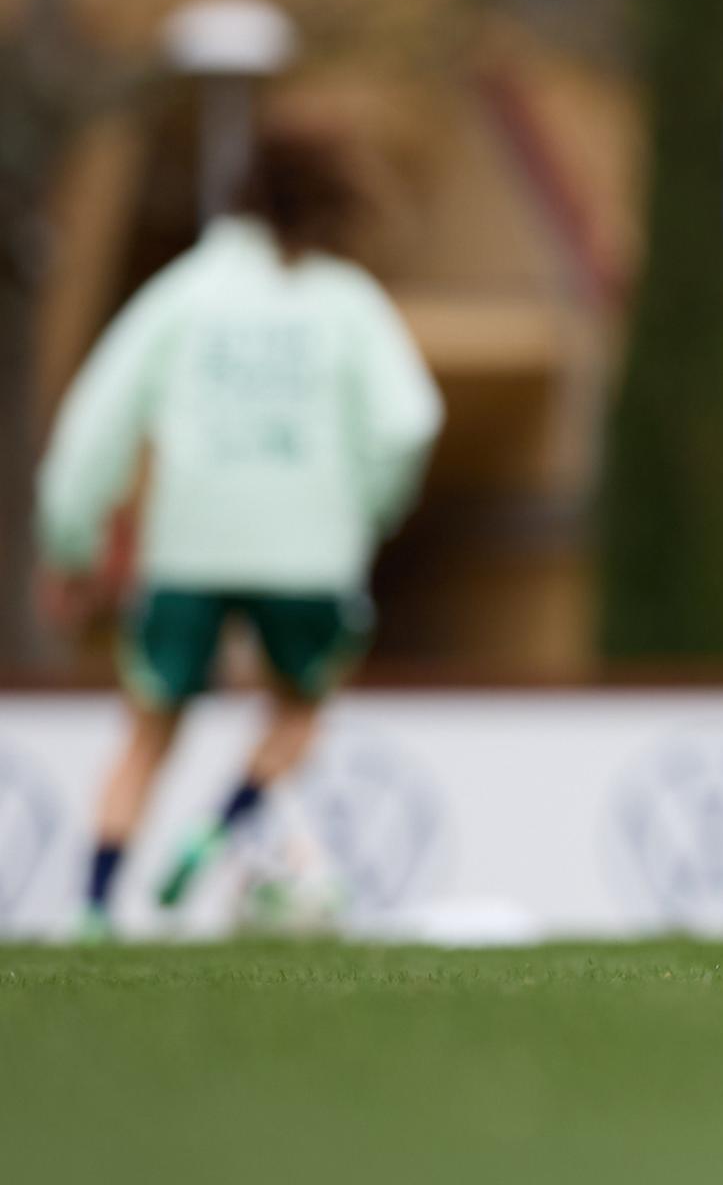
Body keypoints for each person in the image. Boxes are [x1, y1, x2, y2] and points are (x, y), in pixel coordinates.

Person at [34, 120, 444, 938]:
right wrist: (366, 504)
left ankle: (93, 907)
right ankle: (224, 824)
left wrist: (70, 537)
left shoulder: (186, 292)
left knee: (149, 731)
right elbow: (409, 420)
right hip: (308, 552)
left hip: (188, 544)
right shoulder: (344, 299)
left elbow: (96, 422)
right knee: (298, 710)